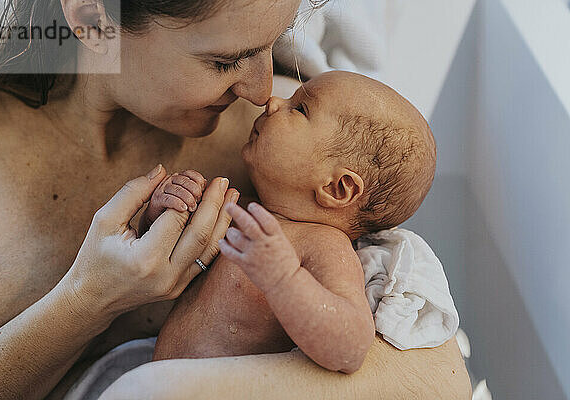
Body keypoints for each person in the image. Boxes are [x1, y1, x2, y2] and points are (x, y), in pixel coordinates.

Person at [0, 1, 471, 399]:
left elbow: (433, 378)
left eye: (273, 46)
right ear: (93, 20)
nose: (262, 91)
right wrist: (89, 299)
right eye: (225, 60)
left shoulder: (297, 160)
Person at [148, 71, 435, 376]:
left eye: (299, 109)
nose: (272, 102)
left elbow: (349, 349)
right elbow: (163, 259)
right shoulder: (244, 210)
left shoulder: (323, 246)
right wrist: (166, 209)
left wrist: (283, 278)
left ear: (337, 188)